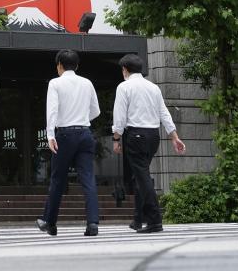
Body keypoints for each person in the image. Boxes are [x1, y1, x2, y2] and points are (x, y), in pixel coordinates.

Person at [112, 53, 185, 234]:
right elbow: (164, 112)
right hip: (153, 136)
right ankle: (138, 219)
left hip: (135, 135)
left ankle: (154, 220)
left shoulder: (124, 87)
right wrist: (174, 136)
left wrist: (115, 138)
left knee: (142, 177)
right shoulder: (153, 87)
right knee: (140, 175)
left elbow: (119, 117)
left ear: (125, 70)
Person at [36, 49, 101, 237]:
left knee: (58, 179)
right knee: (88, 178)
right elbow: (96, 111)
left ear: (59, 65)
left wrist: (50, 136)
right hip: (85, 133)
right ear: (77, 65)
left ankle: (51, 222)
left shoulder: (55, 83)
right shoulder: (87, 83)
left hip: (65, 135)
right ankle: (93, 223)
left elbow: (52, 111)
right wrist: (81, 119)